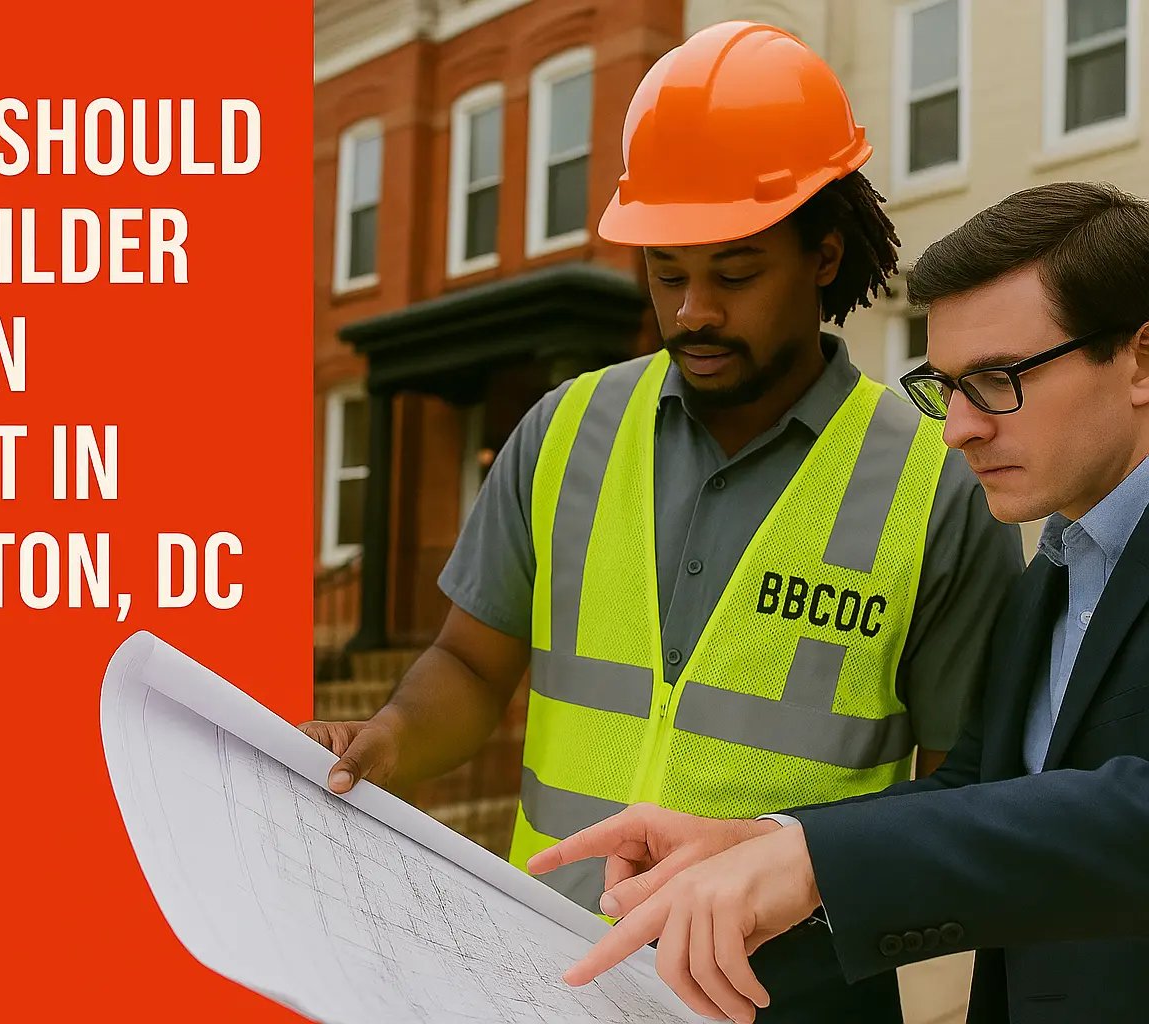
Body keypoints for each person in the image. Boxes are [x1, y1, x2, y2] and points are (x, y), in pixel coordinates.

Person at [302, 20, 1022, 1021]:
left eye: (733, 274)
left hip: (792, 998)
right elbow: (469, 666)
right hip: (542, 975)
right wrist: (382, 743)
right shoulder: (563, 434)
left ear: (822, 256)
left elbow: (961, 796)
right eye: (668, 273)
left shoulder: (934, 488)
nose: (690, 312)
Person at [528, 181, 1149, 1024]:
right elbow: (982, 786)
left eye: (998, 379)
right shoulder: (1058, 571)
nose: (957, 428)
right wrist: (773, 839)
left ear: (1141, 357)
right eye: (947, 386)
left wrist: (821, 862)